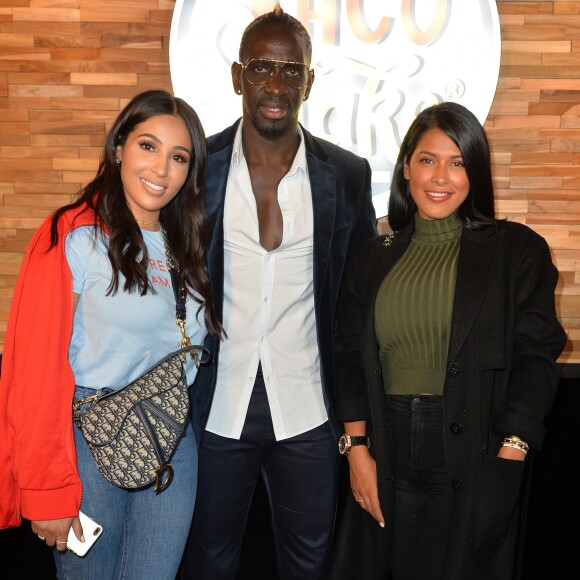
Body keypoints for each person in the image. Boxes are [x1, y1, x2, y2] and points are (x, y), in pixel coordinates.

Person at [329, 101, 567, 580]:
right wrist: (356, 451)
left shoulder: (516, 250)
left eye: (458, 162)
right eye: (428, 159)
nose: (441, 176)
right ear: (405, 169)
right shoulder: (372, 258)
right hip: (387, 451)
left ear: (475, 172)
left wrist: (511, 456)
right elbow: (349, 356)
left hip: (476, 451)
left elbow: (536, 357)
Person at [180, 4, 377, 579]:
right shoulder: (199, 168)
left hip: (309, 414)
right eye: (262, 67)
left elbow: (357, 298)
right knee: (208, 562)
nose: (275, 83)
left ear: (309, 82)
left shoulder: (346, 174)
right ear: (237, 76)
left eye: (291, 70)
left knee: (309, 565)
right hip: (216, 407)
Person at [0, 89, 223, 578]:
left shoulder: (186, 246)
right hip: (87, 439)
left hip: (170, 443)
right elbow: (36, 369)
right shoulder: (75, 235)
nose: (161, 169)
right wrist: (46, 488)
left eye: (178, 157)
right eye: (148, 146)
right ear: (120, 147)